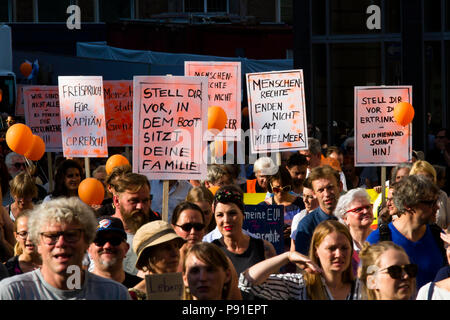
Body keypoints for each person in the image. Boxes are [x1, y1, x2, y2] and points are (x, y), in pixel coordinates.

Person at [0, 197, 131, 299]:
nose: (61, 243)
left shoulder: (114, 293)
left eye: (71, 235)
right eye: (52, 236)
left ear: (87, 241)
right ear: (38, 243)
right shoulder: (12, 292)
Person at [239, 220, 361, 300]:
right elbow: (247, 282)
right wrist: (287, 256)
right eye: (331, 248)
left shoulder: (362, 288)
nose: (339, 254)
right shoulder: (299, 285)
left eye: (344, 248)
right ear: (316, 251)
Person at [366, 175, 446, 289]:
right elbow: (369, 289)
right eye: (431, 203)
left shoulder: (438, 236)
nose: (437, 207)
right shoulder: (377, 240)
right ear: (408, 205)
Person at [211, 185, 277, 276]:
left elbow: (275, 286)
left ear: (243, 214)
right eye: (220, 215)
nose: (226, 220)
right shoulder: (211, 251)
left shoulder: (264, 248)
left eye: (232, 213)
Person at [110, 172, 160, 276]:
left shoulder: (157, 235)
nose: (140, 206)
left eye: (145, 200)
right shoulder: (101, 235)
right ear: (116, 201)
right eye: (134, 201)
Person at [129, 220, 185, 300]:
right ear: (148, 257)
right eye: (167, 248)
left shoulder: (190, 290)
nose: (175, 253)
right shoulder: (132, 297)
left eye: (176, 246)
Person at [294, 165, 343, 255]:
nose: (327, 194)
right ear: (314, 193)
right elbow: (302, 265)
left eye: (330, 187)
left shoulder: (352, 217)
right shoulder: (306, 225)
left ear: (340, 186)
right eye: (321, 190)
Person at [88, 216, 141, 288]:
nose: (107, 246)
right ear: (89, 250)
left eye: (115, 240)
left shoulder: (143, 288)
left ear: (126, 248)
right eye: (100, 241)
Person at [262, 166, 304, 251]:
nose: (281, 192)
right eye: (276, 189)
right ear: (270, 186)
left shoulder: (301, 204)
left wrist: (295, 230)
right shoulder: (263, 206)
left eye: (285, 188)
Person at [334, 188, 374, 275]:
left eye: (368, 207)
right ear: (345, 218)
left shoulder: (381, 238)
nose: (366, 211)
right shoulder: (341, 246)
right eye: (358, 209)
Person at [409, 159, 450, 231]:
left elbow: (448, 222)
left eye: (429, 177)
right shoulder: (409, 198)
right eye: (422, 178)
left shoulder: (442, 195)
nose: (427, 181)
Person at [5, 210, 42, 276]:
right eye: (23, 234)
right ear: (16, 236)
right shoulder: (8, 269)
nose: (29, 238)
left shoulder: (54, 263)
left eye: (33, 232)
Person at [290, 178, 319, 251]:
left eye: (310, 197)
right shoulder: (298, 217)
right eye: (303, 195)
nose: (304, 200)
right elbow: (293, 249)